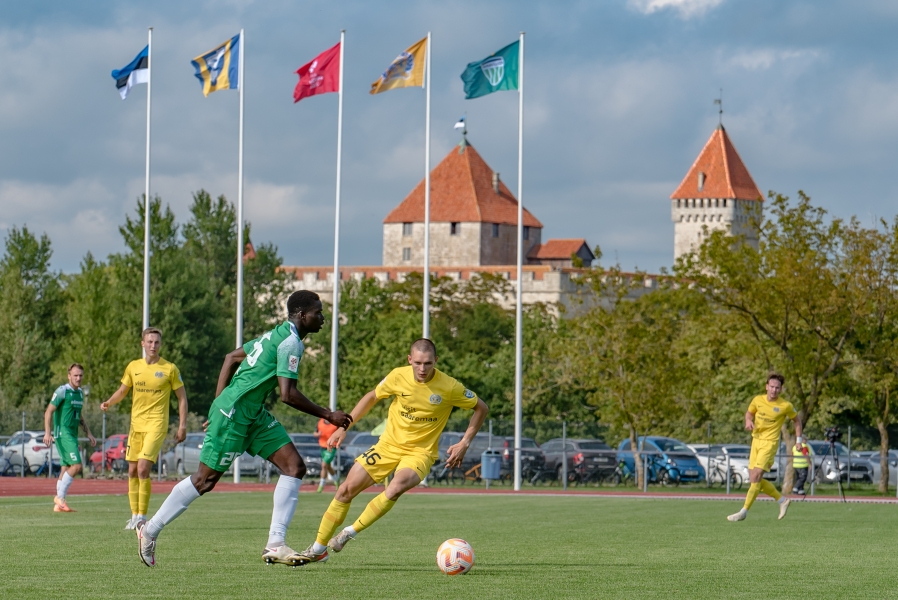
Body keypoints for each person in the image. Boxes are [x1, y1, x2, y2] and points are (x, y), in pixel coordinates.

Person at [136, 291, 352, 568]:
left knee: (294, 467)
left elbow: (230, 358)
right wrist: (328, 414)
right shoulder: (290, 343)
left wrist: (218, 401)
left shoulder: (274, 335)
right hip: (234, 414)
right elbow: (288, 395)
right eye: (318, 312)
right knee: (205, 480)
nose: (322, 318)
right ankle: (149, 530)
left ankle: (275, 543)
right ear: (302, 315)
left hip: (253, 414)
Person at [296, 338, 489, 564]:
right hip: (387, 446)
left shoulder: (449, 386)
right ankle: (318, 550)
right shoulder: (398, 375)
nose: (422, 369)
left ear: (436, 361)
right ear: (410, 360)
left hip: (419, 453)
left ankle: (349, 532)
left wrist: (465, 442)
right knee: (345, 490)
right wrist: (344, 427)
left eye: (428, 363)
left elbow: (481, 407)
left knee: (396, 486)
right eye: (417, 363)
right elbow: (371, 397)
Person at [101, 328, 188, 530]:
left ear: (160, 344)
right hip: (136, 425)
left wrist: (182, 425)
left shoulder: (170, 369)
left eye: (156, 342)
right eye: (149, 342)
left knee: (142, 468)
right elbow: (123, 390)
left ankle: (142, 517)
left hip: (156, 424)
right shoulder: (133, 367)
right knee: (131, 470)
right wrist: (109, 402)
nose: (153, 346)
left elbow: (182, 398)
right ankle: (133, 515)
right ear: (143, 344)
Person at [728, 373, 803, 522]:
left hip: (770, 443)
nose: (774, 390)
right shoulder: (757, 400)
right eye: (772, 387)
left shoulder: (785, 405)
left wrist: (798, 441)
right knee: (754, 480)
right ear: (767, 387)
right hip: (756, 441)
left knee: (756, 477)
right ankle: (782, 501)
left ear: (781, 389)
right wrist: (748, 421)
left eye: (777, 388)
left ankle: (743, 511)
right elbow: (749, 414)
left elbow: (797, 421)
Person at [42, 363, 96, 512]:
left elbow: (79, 417)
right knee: (77, 466)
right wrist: (48, 432)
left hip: (72, 434)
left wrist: (89, 433)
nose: (78, 378)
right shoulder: (62, 391)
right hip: (63, 434)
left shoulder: (79, 394)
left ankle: (58, 505)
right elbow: (48, 412)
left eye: (80, 375)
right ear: (69, 376)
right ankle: (60, 498)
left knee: (65, 467)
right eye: (75, 375)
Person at [316, 417, 339, 493]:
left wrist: (337, 439)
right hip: (322, 447)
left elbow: (340, 433)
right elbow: (315, 433)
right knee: (327, 466)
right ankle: (336, 480)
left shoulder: (335, 423)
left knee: (323, 465)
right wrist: (318, 434)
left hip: (332, 447)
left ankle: (321, 485)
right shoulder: (320, 422)